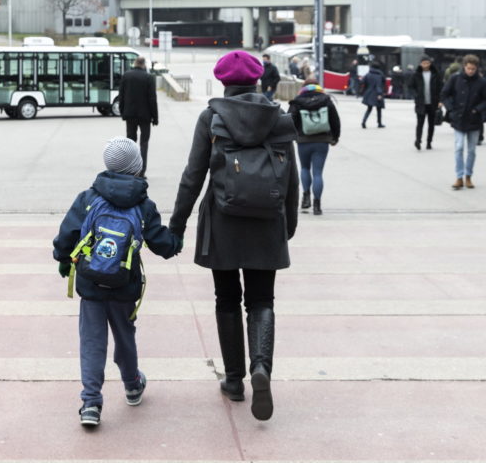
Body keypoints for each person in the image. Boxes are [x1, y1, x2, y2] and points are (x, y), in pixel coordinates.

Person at [169, 50, 299, 422]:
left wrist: (176, 226)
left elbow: (193, 176)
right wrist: (287, 224)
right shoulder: (277, 117)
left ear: (224, 81)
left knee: (226, 298)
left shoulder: (212, 117)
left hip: (223, 223)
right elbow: (292, 179)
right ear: (257, 80)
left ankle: (234, 380)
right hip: (266, 221)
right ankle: (262, 367)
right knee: (261, 299)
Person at [52, 138, 180, 427]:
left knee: (92, 341)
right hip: (124, 285)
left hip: (91, 283)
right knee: (125, 337)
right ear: (137, 167)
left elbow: (68, 233)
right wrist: (176, 242)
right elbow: (161, 242)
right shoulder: (143, 203)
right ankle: (133, 384)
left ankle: (91, 403)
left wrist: (62, 257)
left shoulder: (88, 197)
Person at [440, 54, 486, 190]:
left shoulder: (481, 82)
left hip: (474, 120)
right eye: (469, 68)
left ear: (476, 68)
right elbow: (444, 94)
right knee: (458, 147)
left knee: (471, 150)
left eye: (473, 69)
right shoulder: (455, 78)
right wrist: (451, 109)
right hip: (458, 118)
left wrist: (477, 109)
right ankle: (459, 177)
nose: (471, 71)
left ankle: (468, 176)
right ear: (464, 67)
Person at [287, 77, 340, 216]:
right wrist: (335, 137)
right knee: (318, 173)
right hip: (322, 140)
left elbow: (289, 119)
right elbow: (335, 120)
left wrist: (293, 135)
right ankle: (317, 205)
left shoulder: (297, 101)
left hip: (303, 140)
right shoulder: (326, 100)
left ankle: (305, 197)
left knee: (304, 168)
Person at [117, 56, 158, 177]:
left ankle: (130, 169)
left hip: (129, 115)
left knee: (130, 142)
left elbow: (121, 95)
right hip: (145, 116)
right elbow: (152, 99)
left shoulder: (126, 76)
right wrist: (155, 117)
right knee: (144, 143)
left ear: (135, 63)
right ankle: (141, 171)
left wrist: (122, 112)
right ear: (144, 64)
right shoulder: (148, 77)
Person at [411, 55, 443, 150]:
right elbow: (411, 86)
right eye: (423, 63)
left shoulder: (436, 74)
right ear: (420, 64)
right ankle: (418, 140)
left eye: (427, 63)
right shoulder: (416, 74)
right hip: (421, 103)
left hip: (433, 103)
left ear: (430, 63)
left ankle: (429, 142)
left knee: (431, 124)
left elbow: (441, 88)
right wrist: (416, 95)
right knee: (420, 123)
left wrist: (440, 100)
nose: (425, 65)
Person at [360, 61, 385, 128]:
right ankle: (379, 123)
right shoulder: (380, 75)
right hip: (377, 93)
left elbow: (362, 81)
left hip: (369, 93)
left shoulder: (368, 74)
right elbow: (379, 85)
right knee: (379, 109)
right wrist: (379, 94)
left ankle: (364, 121)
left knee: (369, 109)